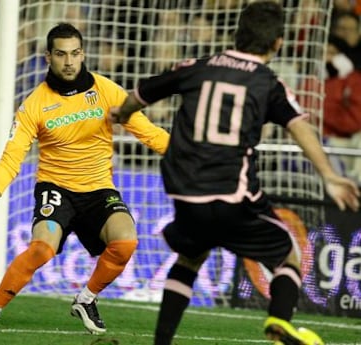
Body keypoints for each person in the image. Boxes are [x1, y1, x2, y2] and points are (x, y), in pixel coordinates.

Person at [109, 2, 360, 345]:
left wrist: (121, 113)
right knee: (289, 253)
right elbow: (298, 126)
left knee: (189, 258)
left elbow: (141, 93)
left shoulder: (196, 66)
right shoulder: (267, 82)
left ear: (236, 34)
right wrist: (329, 175)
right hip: (231, 194)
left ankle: (161, 342)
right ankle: (278, 322)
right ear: (278, 43)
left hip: (185, 192)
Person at [0, 23, 169, 334]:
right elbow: (11, 159)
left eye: (75, 53)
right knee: (42, 248)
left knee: (126, 242)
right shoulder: (34, 105)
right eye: (62, 54)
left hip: (99, 189)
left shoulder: (107, 91)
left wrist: (195, 159)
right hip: (56, 189)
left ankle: (87, 298)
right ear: (47, 57)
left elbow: (150, 134)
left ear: (83, 54)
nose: (69, 61)